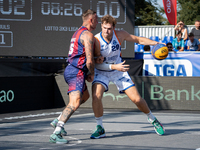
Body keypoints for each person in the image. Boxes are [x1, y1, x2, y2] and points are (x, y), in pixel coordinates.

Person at [90, 14, 165, 139]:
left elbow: (138, 39)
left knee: (136, 99)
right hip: (102, 70)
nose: (106, 31)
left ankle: (153, 119)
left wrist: (156, 43)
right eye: (104, 28)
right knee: (96, 96)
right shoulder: (96, 40)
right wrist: (114, 67)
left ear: (114, 28)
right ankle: (100, 127)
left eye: (109, 28)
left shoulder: (120, 34)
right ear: (101, 26)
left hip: (119, 70)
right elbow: (96, 64)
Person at [49, 9, 102, 144]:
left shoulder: (77, 32)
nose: (98, 21)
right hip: (76, 72)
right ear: (91, 20)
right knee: (75, 102)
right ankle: (56, 133)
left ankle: (58, 120)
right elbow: (89, 60)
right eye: (97, 19)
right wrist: (92, 73)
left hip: (73, 70)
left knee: (85, 97)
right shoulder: (88, 35)